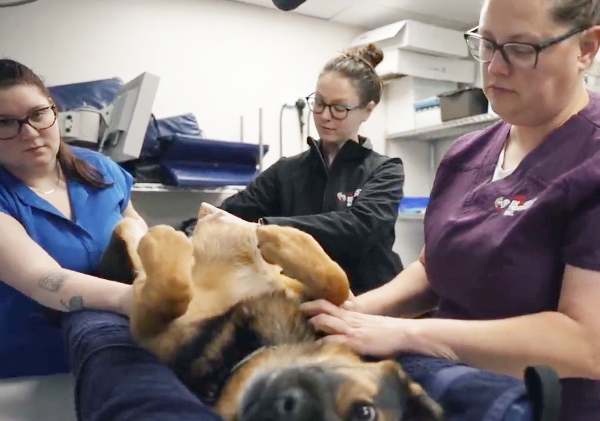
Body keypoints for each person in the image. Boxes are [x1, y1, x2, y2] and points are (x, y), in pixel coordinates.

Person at [299, 0, 600, 420]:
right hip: (469, 398)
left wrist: (408, 333)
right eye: (486, 43)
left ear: (586, 47)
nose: (494, 68)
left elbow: (587, 345)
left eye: (521, 49)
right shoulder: (468, 152)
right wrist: (357, 312)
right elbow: (436, 267)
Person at [0, 59, 222, 421]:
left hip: (127, 344)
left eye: (38, 114)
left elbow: (134, 229)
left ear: (55, 113)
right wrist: (138, 300)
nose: (29, 132)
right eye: (5, 123)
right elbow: (42, 280)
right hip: (30, 374)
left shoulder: (99, 169)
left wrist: (171, 272)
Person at [185, 43, 405, 295]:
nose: (324, 115)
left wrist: (261, 229)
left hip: (370, 300)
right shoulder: (286, 171)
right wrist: (191, 232)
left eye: (339, 108)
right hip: (303, 300)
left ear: (368, 110)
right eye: (319, 103)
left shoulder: (385, 170)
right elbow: (231, 212)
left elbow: (357, 227)